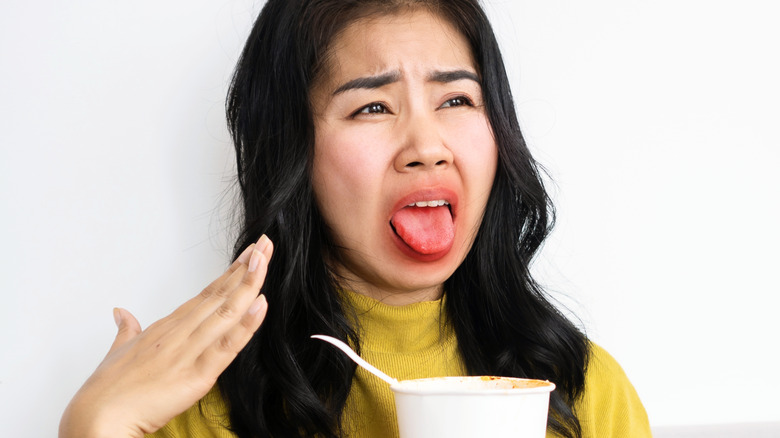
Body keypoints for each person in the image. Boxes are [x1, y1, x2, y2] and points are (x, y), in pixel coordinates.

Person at [59, 0, 651, 437]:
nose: (427, 145)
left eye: (456, 100)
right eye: (372, 106)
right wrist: (95, 426)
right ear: (295, 153)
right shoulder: (200, 406)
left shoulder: (582, 392)